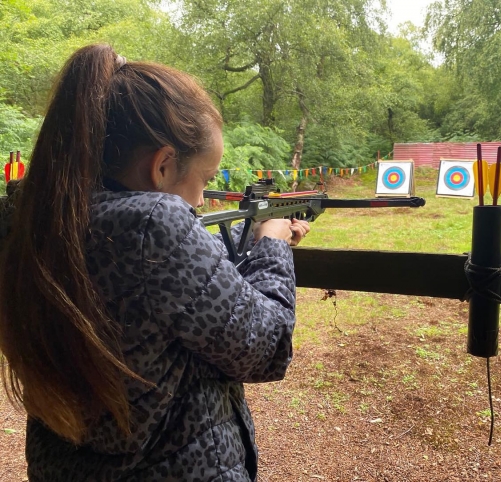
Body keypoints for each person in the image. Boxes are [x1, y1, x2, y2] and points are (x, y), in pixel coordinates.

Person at [0, 44, 310, 481]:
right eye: (203, 179)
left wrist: (247, 242)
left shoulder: (32, 217)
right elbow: (266, 349)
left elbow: (174, 286)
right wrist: (273, 244)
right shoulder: (152, 226)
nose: (202, 200)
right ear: (162, 166)